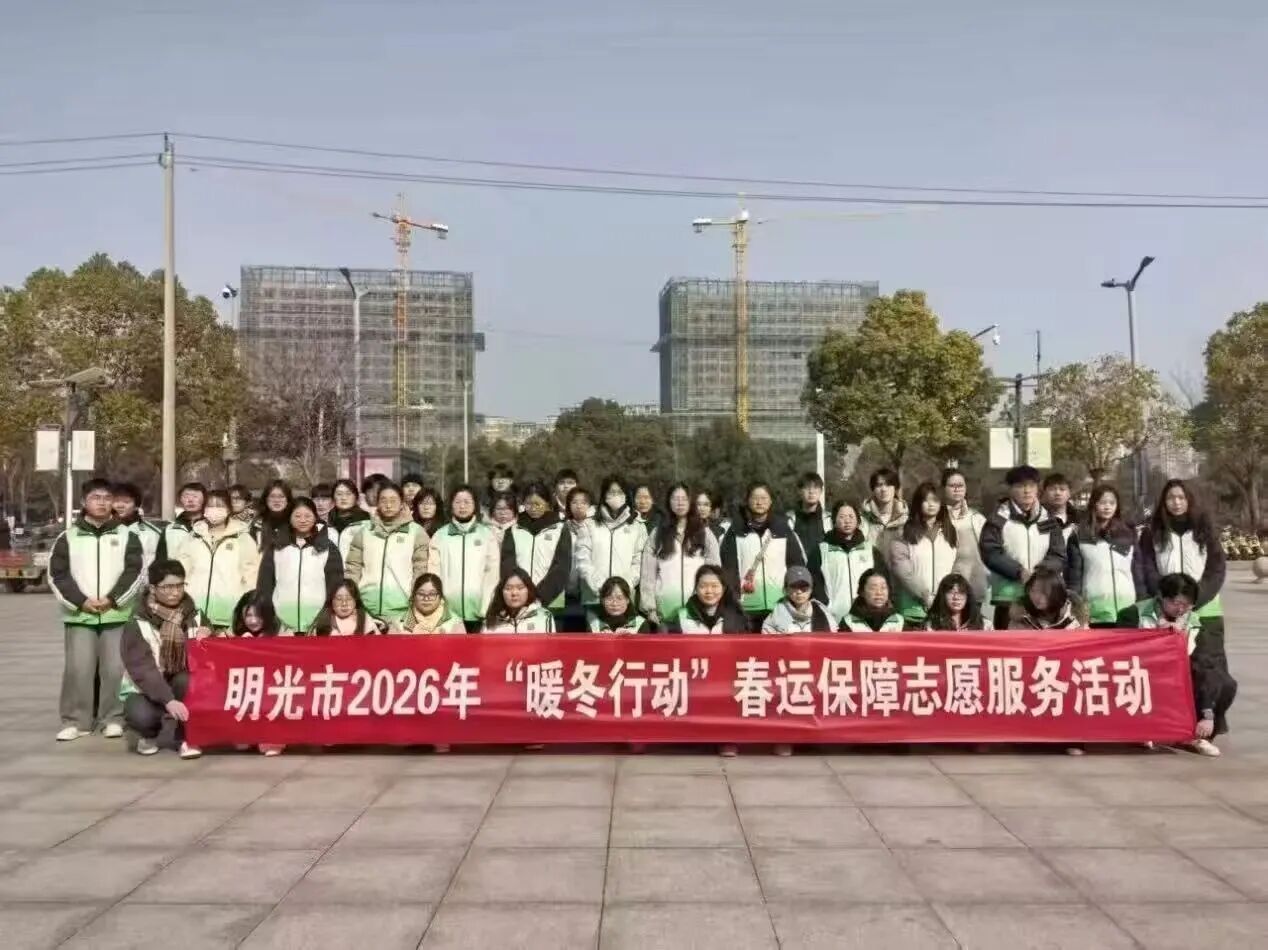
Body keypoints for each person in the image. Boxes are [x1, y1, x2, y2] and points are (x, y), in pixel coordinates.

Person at [49, 478, 144, 742]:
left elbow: (135, 572)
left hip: (116, 615)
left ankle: (113, 718)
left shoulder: (127, 536)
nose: (102, 502)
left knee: (115, 670)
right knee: (78, 669)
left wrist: (113, 599)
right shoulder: (68, 537)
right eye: (95, 497)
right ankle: (76, 721)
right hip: (80, 615)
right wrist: (81, 601)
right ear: (83, 502)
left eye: (106, 498)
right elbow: (57, 575)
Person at [1118, 573, 1236, 757]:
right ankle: (1143, 729)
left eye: (1187, 605)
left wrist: (1207, 713)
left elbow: (1203, 662)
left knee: (1225, 683)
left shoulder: (1193, 621)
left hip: (1180, 675)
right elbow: (1120, 651)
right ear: (1161, 597)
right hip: (1144, 670)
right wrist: (1156, 635)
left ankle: (1196, 734)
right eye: (1176, 603)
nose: (1181, 609)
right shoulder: (1134, 614)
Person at [119, 559, 208, 759]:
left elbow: (212, 653)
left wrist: (209, 635)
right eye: (168, 587)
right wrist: (168, 700)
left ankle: (187, 736)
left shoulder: (195, 615)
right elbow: (143, 669)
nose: (175, 592)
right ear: (153, 588)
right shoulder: (137, 622)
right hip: (146, 687)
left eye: (179, 585)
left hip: (179, 679)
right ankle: (148, 735)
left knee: (188, 682)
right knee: (141, 715)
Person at [1136, 478, 1228, 670]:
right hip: (1165, 614)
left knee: (1209, 671)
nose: (1176, 502)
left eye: (1181, 497)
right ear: (1163, 502)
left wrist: (1194, 598)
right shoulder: (1152, 532)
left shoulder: (1205, 530)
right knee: (1169, 672)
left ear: (1189, 500)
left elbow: (1216, 569)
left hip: (1205, 611)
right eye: (1170, 498)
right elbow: (1147, 567)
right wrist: (1167, 599)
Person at [979, 465, 1068, 630]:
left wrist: (1040, 574)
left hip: (1043, 599)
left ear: (1037, 489)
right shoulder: (998, 518)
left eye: (1031, 486)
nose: (1027, 491)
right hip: (1008, 597)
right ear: (1010, 489)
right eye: (1020, 486)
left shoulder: (1048, 519)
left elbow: (1058, 554)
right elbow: (990, 553)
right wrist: (1018, 572)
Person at [721, 482, 806, 631]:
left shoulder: (783, 529)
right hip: (745, 609)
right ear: (747, 501)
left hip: (779, 608)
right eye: (755, 498)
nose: (759, 502)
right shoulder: (735, 531)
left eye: (764, 498)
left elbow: (796, 565)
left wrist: (794, 597)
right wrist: (735, 598)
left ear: (771, 501)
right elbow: (728, 568)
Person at [345, 481, 429, 626]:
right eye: (383, 500)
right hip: (366, 610)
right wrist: (352, 598)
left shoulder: (416, 532)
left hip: (402, 611)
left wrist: (416, 601)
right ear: (377, 503)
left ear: (402, 503)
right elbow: (353, 568)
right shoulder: (365, 532)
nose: (388, 505)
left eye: (393, 500)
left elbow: (421, 571)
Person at [256, 497, 344, 632]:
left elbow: (335, 585)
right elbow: (265, 584)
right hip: (281, 625)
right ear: (289, 518)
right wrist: (270, 616)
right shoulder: (276, 547)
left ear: (315, 517)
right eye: (297, 516)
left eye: (308, 516)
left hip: (317, 625)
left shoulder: (328, 548)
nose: (302, 520)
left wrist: (325, 618)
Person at [640, 483, 721, 629]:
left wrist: (712, 604)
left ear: (691, 502)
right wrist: (650, 607)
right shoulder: (657, 534)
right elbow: (648, 574)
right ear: (668, 502)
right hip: (664, 613)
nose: (680, 502)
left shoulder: (704, 533)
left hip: (697, 613)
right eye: (675, 498)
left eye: (684, 499)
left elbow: (715, 572)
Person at [888, 482, 967, 629]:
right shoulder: (903, 533)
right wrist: (925, 596)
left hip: (944, 610)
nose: (931, 504)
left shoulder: (951, 533)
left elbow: (958, 567)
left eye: (935, 500)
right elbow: (903, 571)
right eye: (926, 500)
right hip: (912, 610)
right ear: (918, 503)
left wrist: (946, 596)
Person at [181, 489, 259, 632]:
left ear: (229, 509)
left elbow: (252, 577)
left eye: (220, 505)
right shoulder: (193, 537)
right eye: (210, 505)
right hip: (194, 615)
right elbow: (181, 572)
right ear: (204, 509)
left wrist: (247, 609)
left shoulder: (242, 538)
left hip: (229, 615)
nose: (214, 509)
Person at [1066, 484, 1142, 627]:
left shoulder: (1128, 534)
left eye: (1112, 503)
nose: (1107, 507)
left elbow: (1137, 571)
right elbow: (1075, 575)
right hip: (1094, 612)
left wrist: (1143, 600)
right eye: (1102, 502)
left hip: (1128, 610)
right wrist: (1077, 608)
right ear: (1094, 504)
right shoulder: (1079, 536)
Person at [428, 485, 500, 632]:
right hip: (448, 615)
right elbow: (433, 572)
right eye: (458, 502)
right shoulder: (440, 536)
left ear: (475, 505)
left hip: (479, 612)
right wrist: (439, 606)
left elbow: (492, 573)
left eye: (467, 502)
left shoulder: (486, 535)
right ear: (451, 505)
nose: (462, 506)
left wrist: (486, 606)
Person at [500, 481, 572, 624]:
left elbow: (562, 567)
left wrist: (539, 597)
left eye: (538, 504)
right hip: (519, 601)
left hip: (552, 602)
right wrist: (522, 593)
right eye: (528, 504)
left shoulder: (560, 529)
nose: (533, 508)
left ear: (547, 503)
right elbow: (508, 565)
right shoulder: (513, 531)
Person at [577, 477, 647, 619]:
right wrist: (599, 586)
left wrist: (624, 587)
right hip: (594, 597)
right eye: (611, 492)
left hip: (624, 599)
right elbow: (582, 557)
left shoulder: (637, 525)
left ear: (626, 495)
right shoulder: (589, 523)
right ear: (604, 495)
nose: (615, 496)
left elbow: (639, 561)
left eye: (619, 492)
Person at [819, 501, 880, 624]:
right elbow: (815, 583)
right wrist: (827, 606)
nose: (847, 521)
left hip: (866, 621)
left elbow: (883, 581)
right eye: (842, 517)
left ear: (858, 521)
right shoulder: (822, 550)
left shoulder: (870, 551)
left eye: (851, 516)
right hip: (833, 620)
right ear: (834, 521)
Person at [942, 468, 989, 603]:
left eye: (960, 485)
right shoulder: (936, 518)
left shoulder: (977, 518)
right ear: (943, 488)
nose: (957, 489)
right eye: (952, 485)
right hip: (946, 589)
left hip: (974, 589)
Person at [670, 564, 748, 634]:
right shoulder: (682, 616)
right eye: (703, 586)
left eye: (714, 586)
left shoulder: (736, 615)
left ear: (723, 589)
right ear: (696, 588)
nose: (709, 591)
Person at [787, 472, 831, 591]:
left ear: (821, 491)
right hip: (796, 580)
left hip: (823, 580)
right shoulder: (788, 520)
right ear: (799, 491)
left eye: (815, 487)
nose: (811, 492)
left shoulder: (829, 520)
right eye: (807, 488)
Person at [1007, 566, 1088, 629]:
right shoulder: (1020, 618)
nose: (1037, 597)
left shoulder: (1076, 621)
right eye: (1033, 591)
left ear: (1057, 593)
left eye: (1043, 592)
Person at [112, 482, 165, 578]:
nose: (120, 505)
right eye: (116, 501)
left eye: (126, 502)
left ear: (136, 506)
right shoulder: (100, 532)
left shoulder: (153, 533)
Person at [762, 566, 836, 633]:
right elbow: (768, 641)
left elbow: (832, 639)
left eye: (804, 586)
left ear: (811, 589)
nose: (799, 592)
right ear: (786, 589)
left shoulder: (824, 614)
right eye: (794, 586)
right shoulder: (775, 617)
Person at [482, 568, 556, 633]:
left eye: (520, 588)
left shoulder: (544, 617)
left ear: (529, 590)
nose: (514, 593)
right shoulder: (491, 621)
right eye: (508, 588)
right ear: (501, 592)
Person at [562, 486, 594, 629]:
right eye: (574, 502)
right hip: (568, 590)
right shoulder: (562, 528)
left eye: (583, 502)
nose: (579, 506)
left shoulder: (596, 527)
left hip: (591, 589)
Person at [308, 580, 385, 635]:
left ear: (355, 601)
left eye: (349, 599)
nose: (344, 603)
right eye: (339, 599)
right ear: (331, 601)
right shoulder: (324, 620)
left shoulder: (364, 618)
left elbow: (376, 645)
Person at [396, 573, 466, 634]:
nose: (426, 599)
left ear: (441, 597)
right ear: (414, 596)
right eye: (421, 594)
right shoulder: (398, 623)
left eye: (432, 594)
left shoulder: (455, 623)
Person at [839, 570, 906, 632]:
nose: (879, 593)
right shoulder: (848, 622)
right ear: (862, 592)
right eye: (873, 588)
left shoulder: (900, 622)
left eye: (883, 588)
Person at [159, 481, 206, 563]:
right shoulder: (170, 529)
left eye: (195, 496)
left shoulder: (212, 526)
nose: (190, 500)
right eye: (186, 496)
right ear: (180, 500)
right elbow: (160, 559)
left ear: (204, 499)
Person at [326, 478, 371, 563]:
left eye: (348, 494)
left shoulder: (366, 523)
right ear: (333, 498)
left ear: (356, 497)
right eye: (339, 494)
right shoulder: (327, 523)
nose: (344, 498)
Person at [860, 468, 907, 546]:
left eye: (888, 485)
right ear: (873, 489)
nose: (884, 489)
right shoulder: (862, 519)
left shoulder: (906, 519)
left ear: (895, 488)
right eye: (879, 485)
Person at [251, 479, 294, 549]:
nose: (277, 500)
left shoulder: (294, 523)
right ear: (266, 499)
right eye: (272, 496)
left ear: (288, 500)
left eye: (281, 496)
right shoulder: (257, 524)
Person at [1042, 473, 1078, 544]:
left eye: (1062, 489)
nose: (1057, 493)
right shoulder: (1038, 518)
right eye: (1052, 489)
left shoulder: (1079, 518)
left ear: (1069, 493)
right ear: (1045, 493)